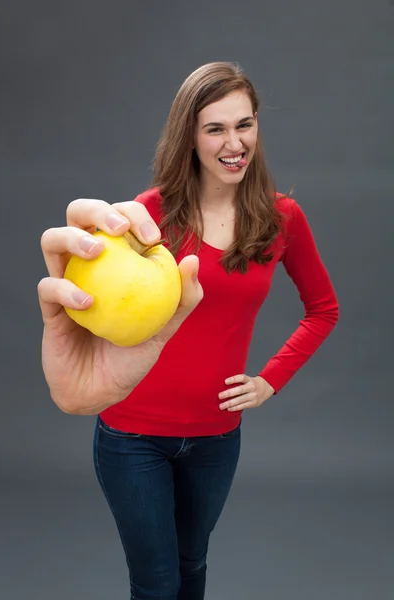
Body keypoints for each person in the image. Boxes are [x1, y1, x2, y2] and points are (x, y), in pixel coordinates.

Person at [38, 62, 339, 600]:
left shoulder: (281, 218)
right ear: (190, 136)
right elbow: (98, 303)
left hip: (216, 438)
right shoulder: (147, 216)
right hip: (132, 436)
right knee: (156, 584)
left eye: (244, 125)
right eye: (215, 128)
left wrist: (270, 380)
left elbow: (323, 309)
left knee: (192, 566)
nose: (234, 143)